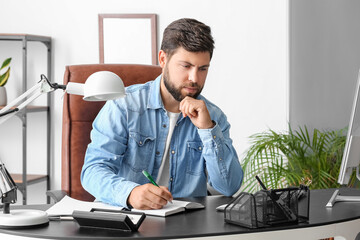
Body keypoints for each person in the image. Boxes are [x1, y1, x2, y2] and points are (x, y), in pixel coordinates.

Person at [81, 18, 243, 210]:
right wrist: (130, 193)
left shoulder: (214, 117)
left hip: (185, 227)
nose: (194, 78)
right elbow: (92, 171)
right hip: (129, 219)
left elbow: (228, 187)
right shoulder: (124, 106)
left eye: (203, 69)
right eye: (186, 66)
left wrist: (208, 130)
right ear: (163, 59)